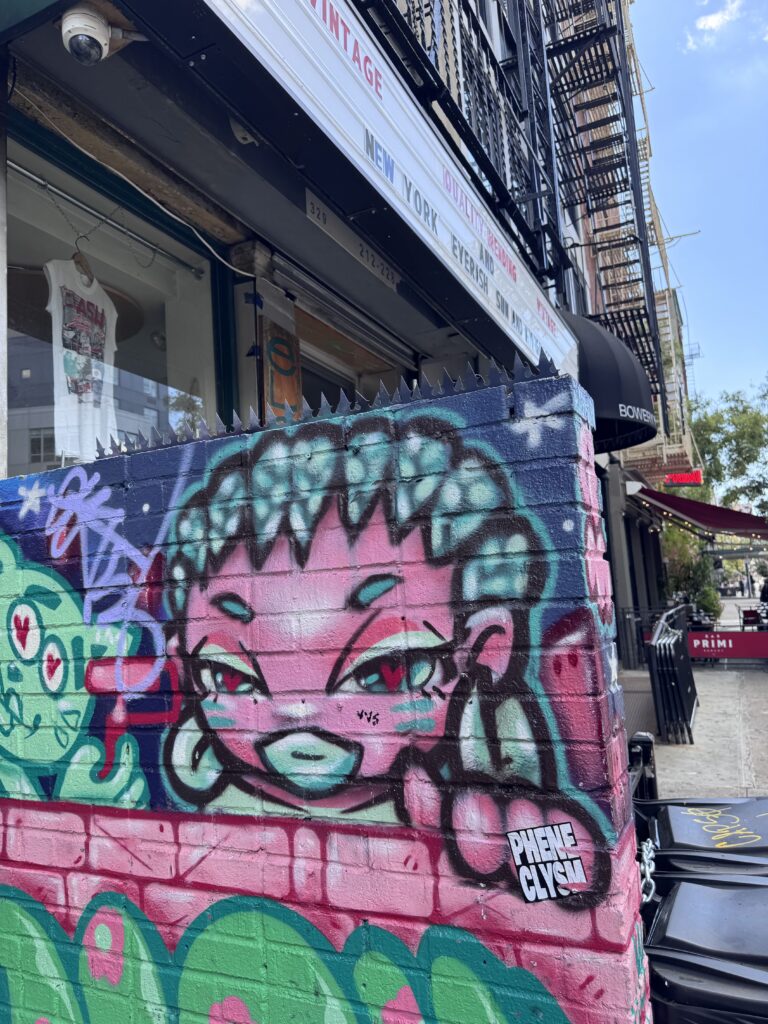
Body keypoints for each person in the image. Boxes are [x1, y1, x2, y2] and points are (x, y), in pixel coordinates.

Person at [162, 408, 612, 904]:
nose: (297, 710)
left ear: (485, 649)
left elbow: (569, 901)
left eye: (385, 670)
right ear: (186, 669)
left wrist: (529, 849)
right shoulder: (201, 824)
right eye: (229, 677)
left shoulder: (485, 807)